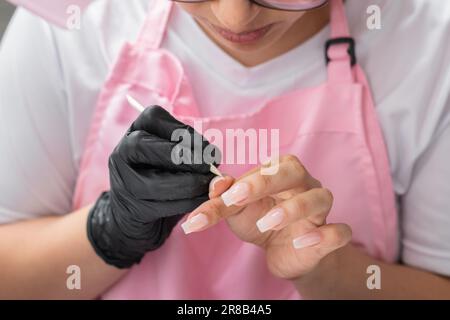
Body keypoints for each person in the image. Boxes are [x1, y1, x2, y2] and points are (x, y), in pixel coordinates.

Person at [0, 0, 449, 299]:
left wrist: (323, 270)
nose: (235, 17)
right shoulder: (72, 23)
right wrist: (108, 232)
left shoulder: (428, 48)